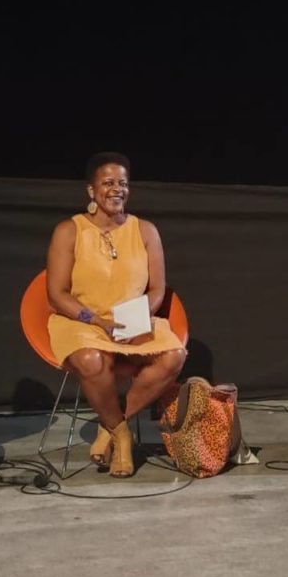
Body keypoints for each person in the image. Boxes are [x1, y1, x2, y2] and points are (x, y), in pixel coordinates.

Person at [46, 152, 186, 477]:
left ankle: (109, 424)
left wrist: (136, 319)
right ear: (91, 190)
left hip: (130, 320)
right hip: (83, 320)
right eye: (107, 183)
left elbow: (157, 290)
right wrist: (98, 322)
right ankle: (122, 436)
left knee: (174, 356)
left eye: (122, 183)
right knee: (92, 359)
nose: (117, 189)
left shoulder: (146, 230)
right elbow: (56, 294)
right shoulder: (69, 230)